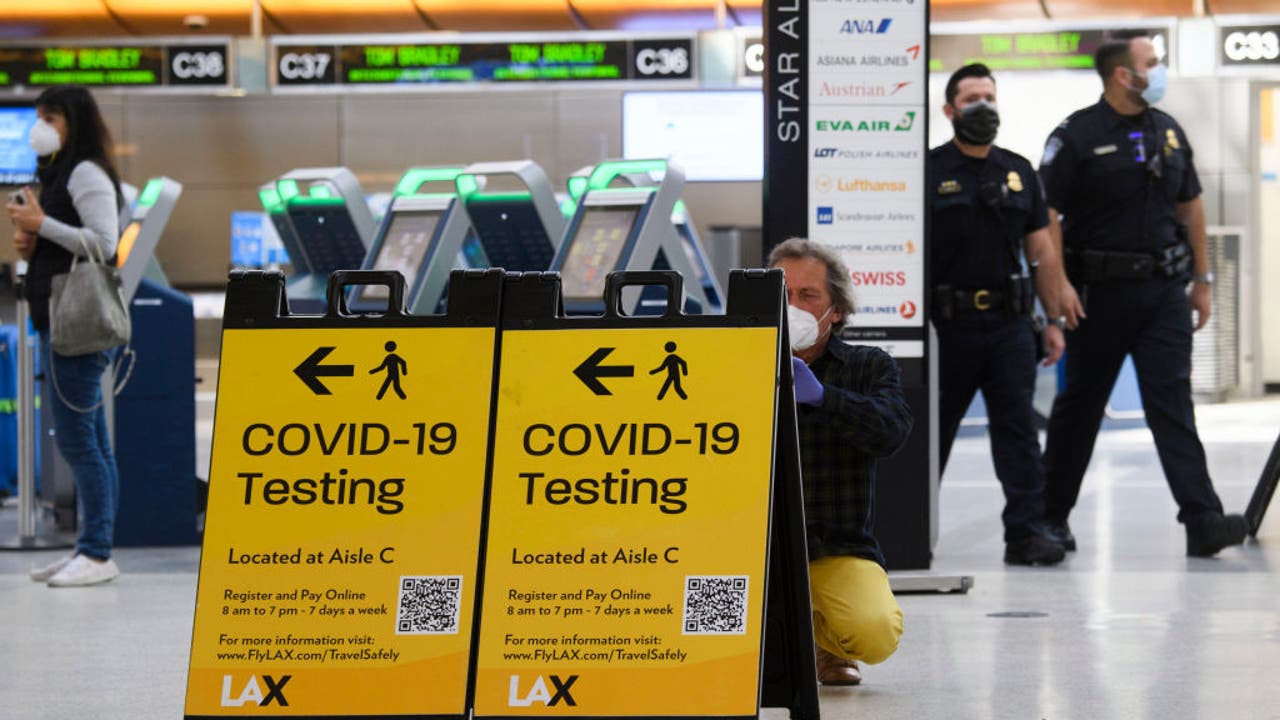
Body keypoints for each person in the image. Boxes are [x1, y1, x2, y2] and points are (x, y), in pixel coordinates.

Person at [1037, 32, 1248, 557]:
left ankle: (1203, 520)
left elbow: (1190, 206)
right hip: (1098, 295)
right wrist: (1058, 284)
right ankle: (1049, 519)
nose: (1159, 70)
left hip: (1164, 293)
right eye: (1151, 63)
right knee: (1080, 408)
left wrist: (1203, 280)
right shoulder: (1076, 135)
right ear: (1122, 75)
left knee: (1173, 405)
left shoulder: (1168, 130)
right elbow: (1048, 214)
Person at [928, 63, 1069, 566]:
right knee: (933, 432)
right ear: (950, 110)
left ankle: (1026, 534)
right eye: (972, 99)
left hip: (1011, 324)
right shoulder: (928, 171)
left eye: (989, 96)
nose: (983, 106)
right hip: (948, 325)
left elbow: (1042, 251)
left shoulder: (1019, 170)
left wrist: (1053, 321)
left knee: (1018, 432)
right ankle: (911, 530)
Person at [768, 238, 912, 687]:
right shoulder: (732, 363)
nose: (793, 307)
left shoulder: (868, 366)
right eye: (783, 295)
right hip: (751, 544)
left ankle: (825, 641)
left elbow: (891, 431)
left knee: (875, 635)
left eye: (808, 295)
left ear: (837, 310)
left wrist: (824, 398)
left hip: (833, 545)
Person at [6, 85, 124, 586]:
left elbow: (103, 243)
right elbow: (68, 240)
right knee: (91, 440)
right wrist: (34, 238)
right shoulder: (57, 171)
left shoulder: (85, 172)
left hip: (78, 322)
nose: (41, 127)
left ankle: (96, 553)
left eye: (50, 117)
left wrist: (42, 223)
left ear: (74, 120)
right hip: (59, 317)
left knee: (79, 442)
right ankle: (91, 548)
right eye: (39, 117)